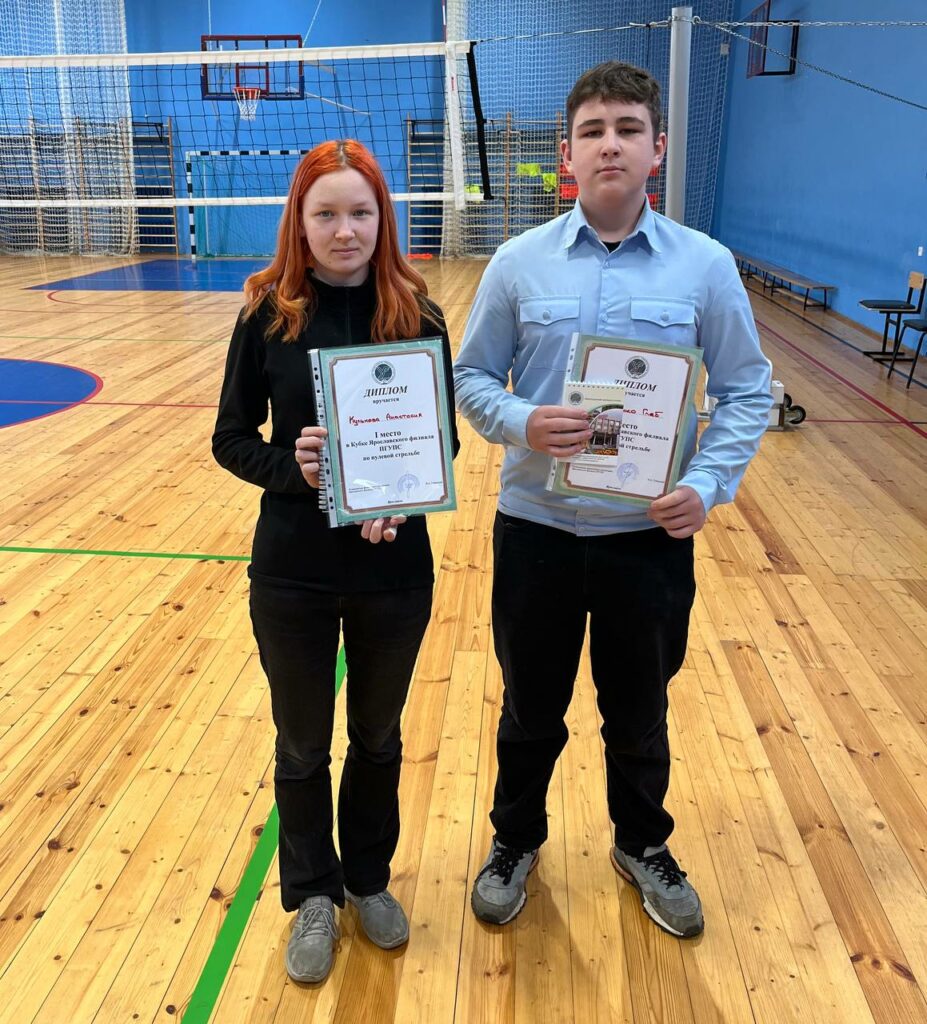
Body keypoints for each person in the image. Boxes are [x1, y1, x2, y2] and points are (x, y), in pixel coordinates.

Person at [453, 62, 772, 939]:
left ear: (656, 148)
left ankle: (640, 844)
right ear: (566, 152)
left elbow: (747, 391)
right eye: (592, 130)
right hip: (537, 532)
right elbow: (471, 377)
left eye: (628, 129)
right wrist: (522, 421)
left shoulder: (704, 266)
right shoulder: (516, 263)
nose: (609, 145)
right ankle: (515, 841)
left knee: (638, 711)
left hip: (646, 540)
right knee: (529, 708)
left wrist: (706, 484)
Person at [212, 139, 458, 983]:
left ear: (382, 218)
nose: (344, 230)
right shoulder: (266, 314)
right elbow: (231, 439)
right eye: (326, 214)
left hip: (394, 571)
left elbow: (442, 442)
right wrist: (299, 470)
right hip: (293, 572)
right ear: (300, 220)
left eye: (360, 212)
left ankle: (367, 880)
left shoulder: (419, 317)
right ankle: (313, 894)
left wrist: (400, 495)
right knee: (301, 745)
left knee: (378, 738)